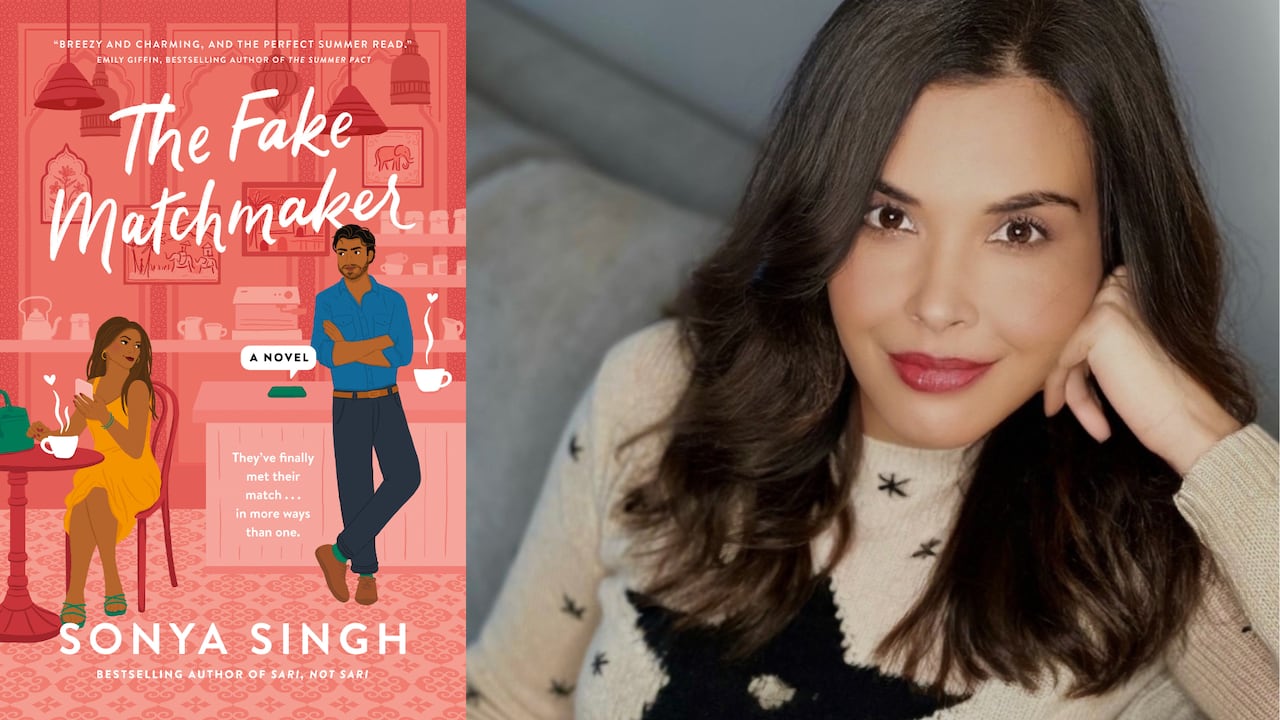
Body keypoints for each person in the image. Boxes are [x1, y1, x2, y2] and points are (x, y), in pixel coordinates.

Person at [466, 0, 1278, 717]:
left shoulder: (1160, 549)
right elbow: (502, 699)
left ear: (1114, 249)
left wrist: (1203, 437)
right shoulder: (660, 394)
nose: (937, 303)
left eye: (1018, 231)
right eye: (887, 216)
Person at [310, 224, 420, 606]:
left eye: (355, 251)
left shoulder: (392, 301)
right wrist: (378, 344)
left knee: (407, 476)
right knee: (355, 488)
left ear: (370, 254)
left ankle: (337, 552)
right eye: (341, 252)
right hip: (347, 402)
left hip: (387, 400)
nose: (347, 260)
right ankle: (366, 573)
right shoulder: (326, 302)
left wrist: (348, 345)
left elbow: (402, 355)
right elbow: (327, 355)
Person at [28, 317, 162, 628]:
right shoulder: (92, 387)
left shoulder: (138, 388)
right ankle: (109, 586)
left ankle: (77, 595)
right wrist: (46, 433)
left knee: (93, 494)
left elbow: (133, 448)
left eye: (138, 345)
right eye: (125, 342)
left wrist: (105, 418)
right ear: (105, 348)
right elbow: (71, 433)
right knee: (89, 497)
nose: (133, 350)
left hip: (135, 472)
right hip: (101, 468)